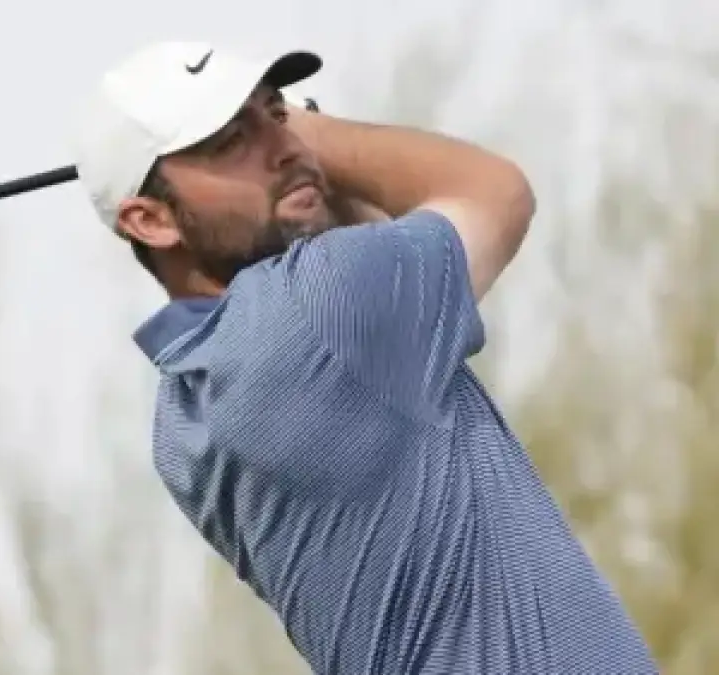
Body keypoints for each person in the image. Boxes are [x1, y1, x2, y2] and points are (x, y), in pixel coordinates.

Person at [69, 41, 658, 673]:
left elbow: (377, 247)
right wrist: (317, 136)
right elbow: (494, 191)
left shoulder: (181, 419)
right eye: (230, 141)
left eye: (276, 114)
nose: (283, 145)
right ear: (151, 220)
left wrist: (294, 173)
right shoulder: (313, 311)